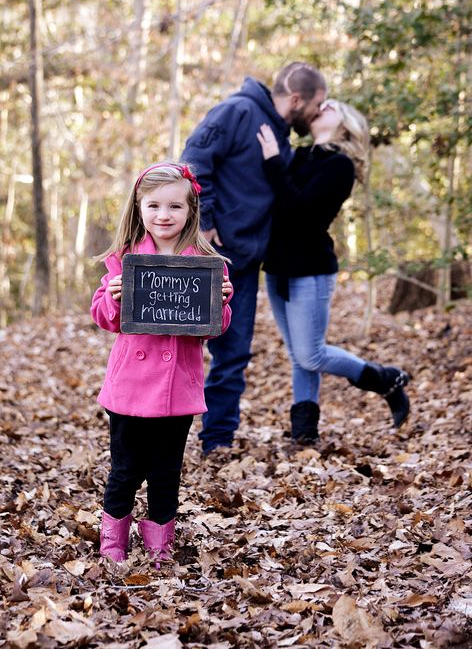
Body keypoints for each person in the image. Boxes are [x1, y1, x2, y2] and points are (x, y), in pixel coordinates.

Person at [90, 162, 233, 568]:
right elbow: (104, 318)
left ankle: (159, 545)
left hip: (178, 389)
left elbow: (215, 329)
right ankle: (113, 542)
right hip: (130, 387)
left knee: (166, 472)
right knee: (126, 469)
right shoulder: (126, 260)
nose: (164, 215)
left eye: (175, 206)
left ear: (191, 211)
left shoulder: (207, 264)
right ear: (139, 209)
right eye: (153, 206)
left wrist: (220, 303)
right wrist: (113, 298)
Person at [181, 62, 327, 455]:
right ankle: (164, 439)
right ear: (296, 98)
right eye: (318, 104)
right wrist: (206, 220)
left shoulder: (279, 134)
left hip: (245, 261)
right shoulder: (238, 111)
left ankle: (217, 441)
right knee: (185, 348)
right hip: (212, 255)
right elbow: (193, 160)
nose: (317, 113)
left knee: (234, 353)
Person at [257, 100, 410, 442]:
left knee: (311, 353)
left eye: (331, 105)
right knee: (300, 356)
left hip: (310, 268)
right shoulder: (299, 155)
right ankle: (304, 433)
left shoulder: (340, 165)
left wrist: (272, 162)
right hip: (278, 267)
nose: (321, 106)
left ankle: (385, 379)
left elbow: (300, 210)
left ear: (346, 124)